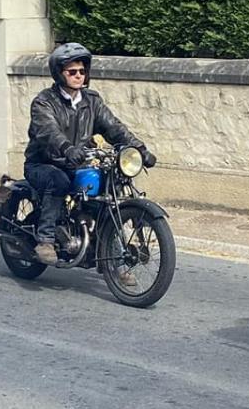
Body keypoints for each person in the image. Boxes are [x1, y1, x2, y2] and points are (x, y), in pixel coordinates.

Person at [23, 41, 154, 266]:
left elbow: (114, 127)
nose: (78, 76)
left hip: (77, 162)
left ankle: (105, 251)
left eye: (82, 71)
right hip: (44, 163)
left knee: (107, 183)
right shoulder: (44, 102)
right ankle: (45, 239)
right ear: (59, 73)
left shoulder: (91, 101)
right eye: (72, 71)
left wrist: (140, 150)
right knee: (59, 181)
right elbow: (48, 131)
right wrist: (67, 148)